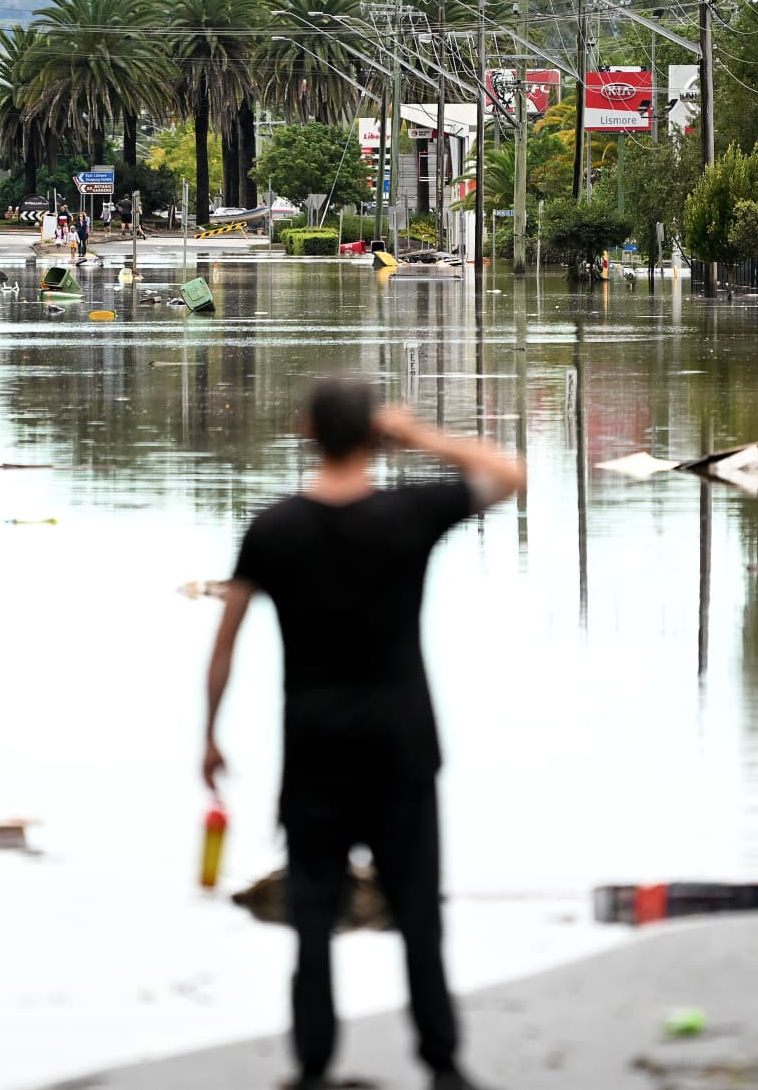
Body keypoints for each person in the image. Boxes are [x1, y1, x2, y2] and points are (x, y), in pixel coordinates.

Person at [203, 380, 524, 1090]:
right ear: (372, 434)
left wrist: (210, 733)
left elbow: (226, 642)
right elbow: (507, 473)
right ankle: (441, 1062)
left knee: (313, 912)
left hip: (314, 746)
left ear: (306, 431)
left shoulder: (274, 527)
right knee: (416, 908)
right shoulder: (409, 512)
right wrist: (415, 434)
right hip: (401, 744)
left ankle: (313, 1065)